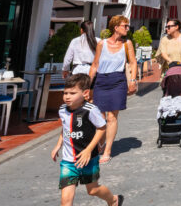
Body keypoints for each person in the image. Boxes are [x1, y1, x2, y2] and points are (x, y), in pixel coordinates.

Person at [51, 74, 123, 206]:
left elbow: (102, 128)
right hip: (68, 161)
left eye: (72, 93)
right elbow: (65, 128)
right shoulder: (62, 110)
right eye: (65, 92)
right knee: (65, 200)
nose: (67, 96)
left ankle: (113, 200)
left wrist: (89, 150)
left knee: (93, 190)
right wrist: (58, 144)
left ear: (85, 93)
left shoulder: (90, 110)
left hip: (89, 159)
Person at [89, 15, 137, 164]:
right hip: (101, 81)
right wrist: (87, 85)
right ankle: (100, 143)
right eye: (125, 26)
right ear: (116, 27)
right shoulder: (101, 44)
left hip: (118, 81)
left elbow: (133, 62)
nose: (127, 28)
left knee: (112, 117)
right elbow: (95, 65)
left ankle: (107, 150)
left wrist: (133, 81)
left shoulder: (127, 44)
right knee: (99, 116)